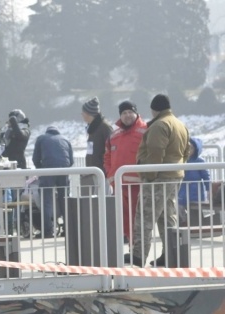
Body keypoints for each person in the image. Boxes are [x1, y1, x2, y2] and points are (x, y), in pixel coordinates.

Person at [125, 94, 190, 268]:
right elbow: (187, 151)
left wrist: (150, 175)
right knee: (167, 217)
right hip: (175, 176)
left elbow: (155, 153)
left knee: (145, 217)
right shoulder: (180, 124)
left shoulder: (159, 125)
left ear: (155, 109)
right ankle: (171, 254)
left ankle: (138, 255)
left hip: (158, 178)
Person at [103, 100, 148, 243]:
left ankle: (138, 248)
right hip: (118, 185)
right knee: (123, 219)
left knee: (138, 218)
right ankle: (131, 245)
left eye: (130, 112)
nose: (127, 115)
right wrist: (110, 174)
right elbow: (107, 156)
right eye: (124, 113)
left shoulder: (146, 131)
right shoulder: (114, 135)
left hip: (137, 186)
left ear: (136, 113)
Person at [32, 126, 74, 238]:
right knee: (64, 199)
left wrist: (41, 170)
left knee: (46, 201)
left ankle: (48, 231)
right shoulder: (65, 139)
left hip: (48, 170)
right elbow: (71, 161)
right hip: (64, 170)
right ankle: (68, 229)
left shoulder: (41, 138)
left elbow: (35, 159)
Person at [81, 97, 113, 194]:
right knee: (98, 196)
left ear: (89, 113)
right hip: (95, 170)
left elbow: (111, 148)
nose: (82, 114)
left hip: (103, 171)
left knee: (105, 196)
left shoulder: (104, 127)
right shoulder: (92, 128)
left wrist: (107, 168)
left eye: (83, 112)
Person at [178, 137, 211, 227]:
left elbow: (206, 176)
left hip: (196, 191)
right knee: (180, 207)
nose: (188, 150)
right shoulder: (181, 160)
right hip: (182, 190)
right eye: (186, 147)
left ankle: (196, 225)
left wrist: (209, 189)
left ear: (196, 149)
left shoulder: (200, 161)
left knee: (196, 210)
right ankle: (184, 222)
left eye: (191, 148)